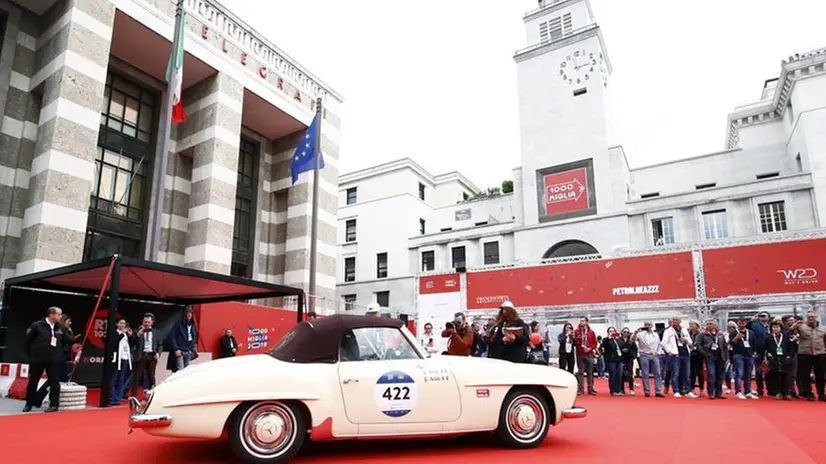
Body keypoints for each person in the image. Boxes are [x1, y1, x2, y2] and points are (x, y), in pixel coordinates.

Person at [23, 307, 71, 413]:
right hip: (38, 359)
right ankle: (29, 403)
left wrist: (73, 336)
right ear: (52, 314)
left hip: (53, 359)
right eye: (59, 314)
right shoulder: (37, 325)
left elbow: (67, 340)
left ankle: (54, 404)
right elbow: (27, 341)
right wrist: (31, 356)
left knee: (54, 382)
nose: (60, 317)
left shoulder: (60, 327)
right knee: (33, 381)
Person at [790, 310, 826, 401]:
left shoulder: (823, 328)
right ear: (807, 318)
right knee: (805, 374)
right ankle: (808, 393)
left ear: (816, 318)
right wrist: (794, 326)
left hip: (820, 353)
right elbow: (790, 333)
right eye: (809, 317)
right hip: (805, 354)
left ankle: (821, 393)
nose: (811, 319)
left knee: (820, 374)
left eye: (813, 317)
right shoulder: (801, 327)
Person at [661, 317, 696, 398]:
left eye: (676, 320)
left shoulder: (684, 330)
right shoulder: (668, 331)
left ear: (680, 321)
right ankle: (676, 390)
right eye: (673, 321)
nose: (674, 322)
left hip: (685, 353)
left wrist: (686, 340)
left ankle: (688, 391)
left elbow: (691, 342)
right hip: (675, 354)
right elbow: (663, 343)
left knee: (686, 374)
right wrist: (670, 351)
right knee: (675, 373)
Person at [131, 313, 163, 398]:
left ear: (152, 322)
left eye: (148, 322)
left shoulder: (156, 332)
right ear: (143, 322)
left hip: (152, 355)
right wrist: (138, 334)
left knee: (151, 376)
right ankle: (134, 396)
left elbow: (160, 345)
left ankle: (153, 395)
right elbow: (132, 342)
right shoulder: (138, 331)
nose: (147, 324)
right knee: (137, 376)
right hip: (141, 355)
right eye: (145, 322)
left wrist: (158, 353)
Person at [696, 320, 728, 400]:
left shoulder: (720, 334)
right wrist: (704, 353)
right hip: (709, 357)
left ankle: (719, 393)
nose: (709, 325)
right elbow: (698, 345)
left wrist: (727, 357)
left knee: (720, 376)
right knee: (711, 374)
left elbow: (724, 346)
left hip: (720, 357)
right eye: (708, 324)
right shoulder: (702, 334)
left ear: (715, 325)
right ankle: (711, 393)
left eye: (711, 324)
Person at [728, 317, 758, 400]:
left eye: (743, 322)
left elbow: (755, 343)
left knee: (748, 374)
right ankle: (738, 392)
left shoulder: (751, 333)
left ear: (746, 323)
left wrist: (754, 353)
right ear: (737, 323)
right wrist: (736, 338)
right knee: (739, 373)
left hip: (749, 355)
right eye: (740, 322)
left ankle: (748, 391)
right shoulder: (733, 332)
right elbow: (731, 343)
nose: (742, 324)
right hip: (738, 355)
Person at [765, 319, 795, 400]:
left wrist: (789, 356)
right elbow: (765, 348)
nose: (775, 329)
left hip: (784, 358)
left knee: (785, 376)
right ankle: (777, 392)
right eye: (774, 327)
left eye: (777, 327)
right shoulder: (768, 338)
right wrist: (768, 356)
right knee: (775, 376)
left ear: (780, 328)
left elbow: (790, 348)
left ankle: (786, 393)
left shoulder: (785, 337)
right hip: (773, 358)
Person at [633, 321, 663, 397]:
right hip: (644, 355)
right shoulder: (640, 334)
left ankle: (658, 391)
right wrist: (635, 332)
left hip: (654, 355)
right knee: (645, 374)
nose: (647, 326)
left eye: (649, 325)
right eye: (646, 325)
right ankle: (647, 391)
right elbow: (632, 340)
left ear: (652, 326)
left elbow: (659, 344)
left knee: (658, 373)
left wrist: (658, 352)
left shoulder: (655, 334)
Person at [747, 311, 770, 397]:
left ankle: (771, 389)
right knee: (758, 371)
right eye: (761, 316)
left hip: (770, 351)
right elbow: (747, 328)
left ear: (768, 317)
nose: (762, 317)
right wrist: (752, 320)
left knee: (770, 371)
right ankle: (760, 390)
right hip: (758, 351)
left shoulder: (771, 325)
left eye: (764, 316)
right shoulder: (755, 325)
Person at [109, 319, 133, 406]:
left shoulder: (125, 334)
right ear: (117, 324)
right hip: (116, 359)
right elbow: (114, 343)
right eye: (121, 323)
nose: (123, 325)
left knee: (121, 378)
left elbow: (130, 344)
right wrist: (122, 334)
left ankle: (117, 399)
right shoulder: (115, 333)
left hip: (125, 358)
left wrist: (130, 336)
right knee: (113, 379)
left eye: (124, 323)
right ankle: (111, 398)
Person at [169, 306, 199, 372]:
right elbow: (173, 337)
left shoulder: (193, 326)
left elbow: (194, 338)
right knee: (180, 370)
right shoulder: (178, 324)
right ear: (184, 314)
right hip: (180, 351)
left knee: (186, 371)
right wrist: (176, 349)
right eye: (187, 313)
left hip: (188, 351)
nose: (189, 314)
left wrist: (193, 348)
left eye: (190, 313)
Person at [575, 316, 598, 396]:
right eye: (580, 321)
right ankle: (580, 389)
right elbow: (574, 343)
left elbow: (595, 343)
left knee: (590, 372)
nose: (581, 322)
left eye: (583, 321)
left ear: (587, 322)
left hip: (589, 353)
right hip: (580, 354)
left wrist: (590, 348)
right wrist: (577, 339)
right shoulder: (577, 331)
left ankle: (590, 389)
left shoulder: (591, 332)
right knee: (580, 372)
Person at [602, 327, 624, 396]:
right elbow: (604, 346)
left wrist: (619, 338)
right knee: (612, 374)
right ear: (608, 332)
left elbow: (623, 346)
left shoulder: (619, 340)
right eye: (610, 331)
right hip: (611, 360)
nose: (612, 332)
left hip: (619, 359)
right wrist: (609, 338)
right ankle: (613, 390)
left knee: (619, 374)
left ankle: (619, 389)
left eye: (613, 331)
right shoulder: (606, 340)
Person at [688, 320, 705, 397]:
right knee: (692, 373)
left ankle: (701, 389)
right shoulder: (688, 334)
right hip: (690, 355)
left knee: (700, 373)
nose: (691, 326)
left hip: (699, 355)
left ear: (697, 326)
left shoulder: (701, 334)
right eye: (690, 324)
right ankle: (692, 389)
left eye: (692, 324)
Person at [619, 327, 637, 395]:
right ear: (622, 333)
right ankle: (622, 389)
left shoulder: (631, 341)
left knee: (630, 374)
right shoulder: (619, 340)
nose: (626, 333)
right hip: (621, 359)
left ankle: (631, 389)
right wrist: (622, 350)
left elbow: (635, 349)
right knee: (622, 374)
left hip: (629, 359)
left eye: (627, 332)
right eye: (624, 332)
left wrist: (633, 356)